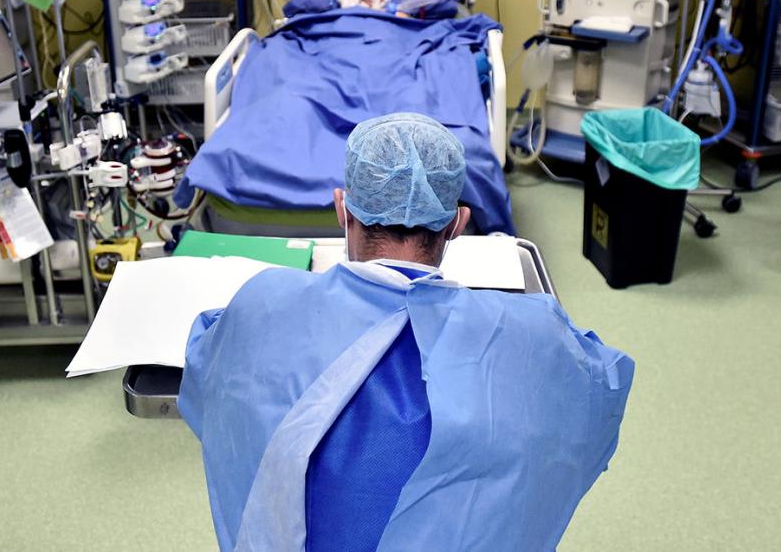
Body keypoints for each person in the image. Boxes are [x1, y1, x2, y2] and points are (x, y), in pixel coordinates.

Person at [178, 113, 634, 551]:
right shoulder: (533, 330)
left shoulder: (265, 302)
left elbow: (206, 370)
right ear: (457, 223)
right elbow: (602, 386)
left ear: (343, 210)